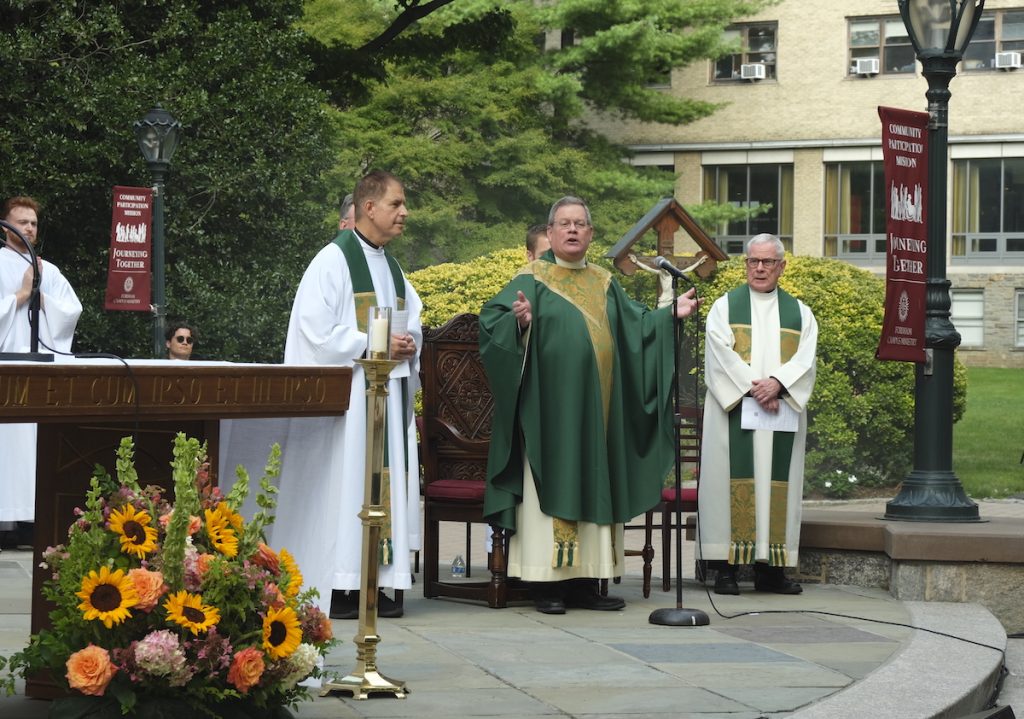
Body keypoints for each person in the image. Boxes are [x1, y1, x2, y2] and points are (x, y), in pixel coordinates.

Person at [480, 195, 699, 614]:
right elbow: (491, 322)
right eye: (564, 223)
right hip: (550, 414)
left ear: (592, 234)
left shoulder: (603, 281)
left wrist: (671, 316)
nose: (573, 230)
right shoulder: (531, 278)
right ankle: (546, 583)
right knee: (554, 481)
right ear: (550, 233)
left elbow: (636, 328)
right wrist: (518, 322)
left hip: (600, 412)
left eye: (580, 223)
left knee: (595, 477)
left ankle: (585, 582)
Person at [275, 170, 422, 620]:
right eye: (396, 204)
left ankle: (380, 580)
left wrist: (410, 340)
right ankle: (342, 583)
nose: (404, 212)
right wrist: (373, 343)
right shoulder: (332, 262)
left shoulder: (392, 267)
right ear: (369, 208)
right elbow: (317, 333)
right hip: (351, 402)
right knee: (349, 482)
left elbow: (410, 318)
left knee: (382, 480)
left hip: (385, 395)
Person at [697, 233, 818, 595]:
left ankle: (771, 571)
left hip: (779, 412)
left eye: (767, 262)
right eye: (753, 261)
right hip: (734, 414)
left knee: (777, 485)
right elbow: (718, 354)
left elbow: (806, 359)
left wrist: (778, 383)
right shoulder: (724, 307)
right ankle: (725, 570)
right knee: (725, 487)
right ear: (745, 264)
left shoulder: (800, 312)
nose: (759, 268)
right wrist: (755, 387)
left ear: (782, 266)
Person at [0, 196, 82, 545]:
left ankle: (33, 521)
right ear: (5, 225)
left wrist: (41, 296)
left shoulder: (49, 269)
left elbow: (70, 312)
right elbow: (17, 300)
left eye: (33, 223)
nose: (29, 228)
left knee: (34, 445)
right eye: (22, 222)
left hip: (38, 371)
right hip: (6, 367)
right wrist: (19, 296)